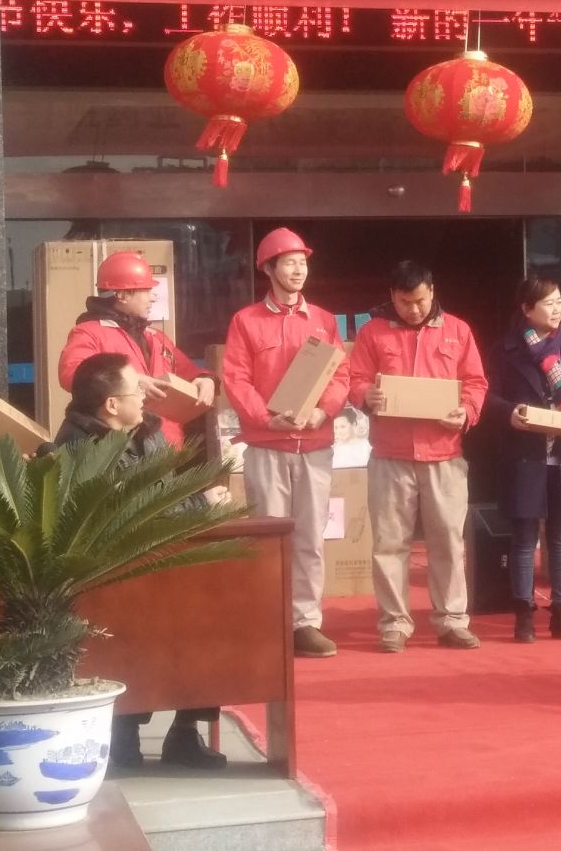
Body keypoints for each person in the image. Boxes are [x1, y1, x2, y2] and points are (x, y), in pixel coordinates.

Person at [52, 352, 224, 771]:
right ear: (111, 404)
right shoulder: (80, 446)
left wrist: (201, 496)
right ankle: (123, 732)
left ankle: (185, 732)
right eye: (136, 390)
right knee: (139, 626)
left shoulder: (147, 431)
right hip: (111, 576)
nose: (145, 397)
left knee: (210, 612)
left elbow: (170, 489)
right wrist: (201, 503)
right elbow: (129, 511)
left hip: (164, 562)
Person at [222, 228, 350, 659]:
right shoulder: (245, 321)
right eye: (290, 263)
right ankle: (268, 619)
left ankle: (305, 623)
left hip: (314, 444)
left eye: (303, 262)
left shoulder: (324, 321)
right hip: (267, 444)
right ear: (269, 268)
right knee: (269, 536)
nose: (299, 270)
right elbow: (235, 378)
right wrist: (265, 418)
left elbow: (340, 375)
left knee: (310, 537)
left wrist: (323, 411)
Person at [348, 261, 487, 653]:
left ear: (432, 291)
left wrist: (467, 411)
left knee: (448, 541)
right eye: (406, 302)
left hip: (444, 453)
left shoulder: (458, 330)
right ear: (392, 296)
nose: (414, 309)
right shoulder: (373, 332)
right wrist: (365, 395)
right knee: (389, 543)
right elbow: (354, 379)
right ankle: (394, 623)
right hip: (390, 454)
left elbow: (476, 382)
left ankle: (452, 620)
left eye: (421, 300)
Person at [485, 276, 561, 643]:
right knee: (524, 538)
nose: (557, 309)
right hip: (526, 453)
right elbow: (488, 397)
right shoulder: (506, 350)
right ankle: (524, 613)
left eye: (559, 302)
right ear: (527, 309)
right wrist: (510, 413)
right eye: (548, 303)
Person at [58, 251, 215, 449]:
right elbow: (72, 374)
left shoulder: (156, 337)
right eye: (147, 290)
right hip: (121, 452)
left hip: (168, 450)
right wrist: (130, 382)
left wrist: (205, 379)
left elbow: (189, 370)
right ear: (122, 295)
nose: (153, 297)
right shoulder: (89, 333)